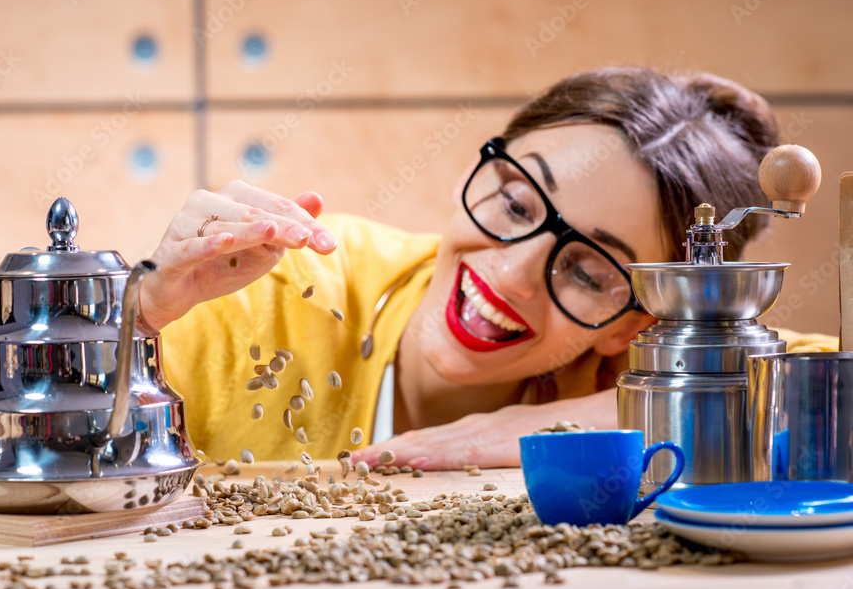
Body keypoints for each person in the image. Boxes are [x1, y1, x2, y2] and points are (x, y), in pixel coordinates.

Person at [138, 66, 835, 470]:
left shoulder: (645, 372)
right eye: (514, 201)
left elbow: (831, 388)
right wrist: (137, 313)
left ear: (632, 327)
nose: (510, 275)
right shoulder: (279, 286)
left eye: (590, 273)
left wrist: (560, 424)